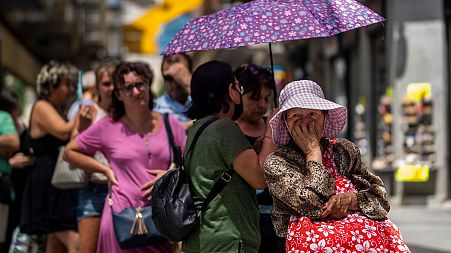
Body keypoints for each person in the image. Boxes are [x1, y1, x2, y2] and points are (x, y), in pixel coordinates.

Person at [264, 80, 410, 252]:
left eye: (312, 114)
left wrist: (352, 200)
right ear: (286, 123)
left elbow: (379, 199)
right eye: (296, 116)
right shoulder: (277, 163)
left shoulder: (344, 150)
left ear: (324, 117)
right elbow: (312, 205)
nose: (306, 123)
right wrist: (313, 152)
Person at [63, 61, 186, 253]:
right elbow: (69, 152)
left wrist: (170, 175)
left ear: (148, 85)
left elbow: (191, 162)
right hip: (120, 218)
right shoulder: (108, 126)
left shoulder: (170, 124)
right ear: (118, 94)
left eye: (140, 84)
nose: (136, 91)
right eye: (128, 87)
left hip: (161, 220)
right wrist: (104, 169)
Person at [181, 61, 277, 253]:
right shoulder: (224, 128)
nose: (239, 94)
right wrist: (272, 129)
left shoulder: (198, 128)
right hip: (229, 240)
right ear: (228, 90)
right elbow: (259, 179)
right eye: (237, 87)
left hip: (205, 238)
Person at [19, 61, 80, 253]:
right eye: (67, 84)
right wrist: (85, 106)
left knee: (54, 241)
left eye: (72, 84)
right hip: (47, 182)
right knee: (70, 238)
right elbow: (63, 132)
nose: (71, 90)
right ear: (51, 85)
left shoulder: (59, 110)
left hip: (58, 182)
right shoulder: (42, 106)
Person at [234, 64, 284, 253]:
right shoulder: (230, 131)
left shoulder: (274, 127)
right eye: (254, 98)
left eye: (266, 98)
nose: (262, 105)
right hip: (245, 221)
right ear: (238, 94)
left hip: (276, 222)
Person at [73, 59, 118, 253]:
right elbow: (72, 151)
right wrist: (82, 127)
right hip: (93, 190)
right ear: (98, 87)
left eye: (116, 82)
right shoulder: (88, 112)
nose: (111, 88)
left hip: (120, 191)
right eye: (106, 83)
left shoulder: (127, 113)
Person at [154, 53, 194, 129]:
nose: (175, 84)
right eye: (169, 78)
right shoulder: (156, 108)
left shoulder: (199, 101)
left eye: (180, 74)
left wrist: (189, 84)